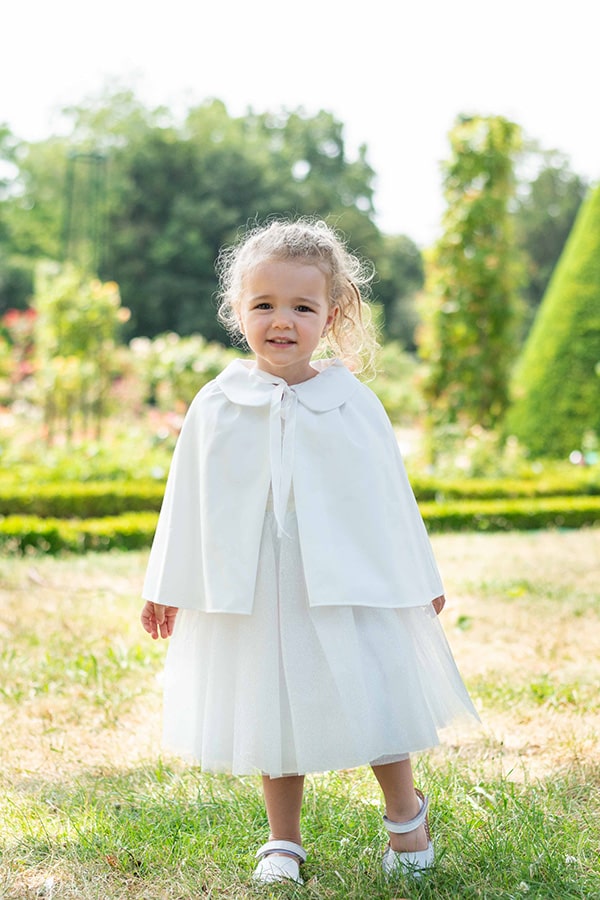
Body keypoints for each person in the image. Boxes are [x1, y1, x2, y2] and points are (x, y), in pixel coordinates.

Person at [140, 218, 478, 885]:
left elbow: (391, 498)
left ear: (331, 314)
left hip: (350, 582)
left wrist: (420, 576)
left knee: (376, 692)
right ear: (238, 312)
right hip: (258, 582)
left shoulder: (353, 403)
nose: (281, 321)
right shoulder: (217, 402)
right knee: (273, 700)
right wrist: (165, 582)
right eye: (263, 305)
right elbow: (185, 498)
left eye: (301, 306)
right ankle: (283, 840)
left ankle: (405, 814)